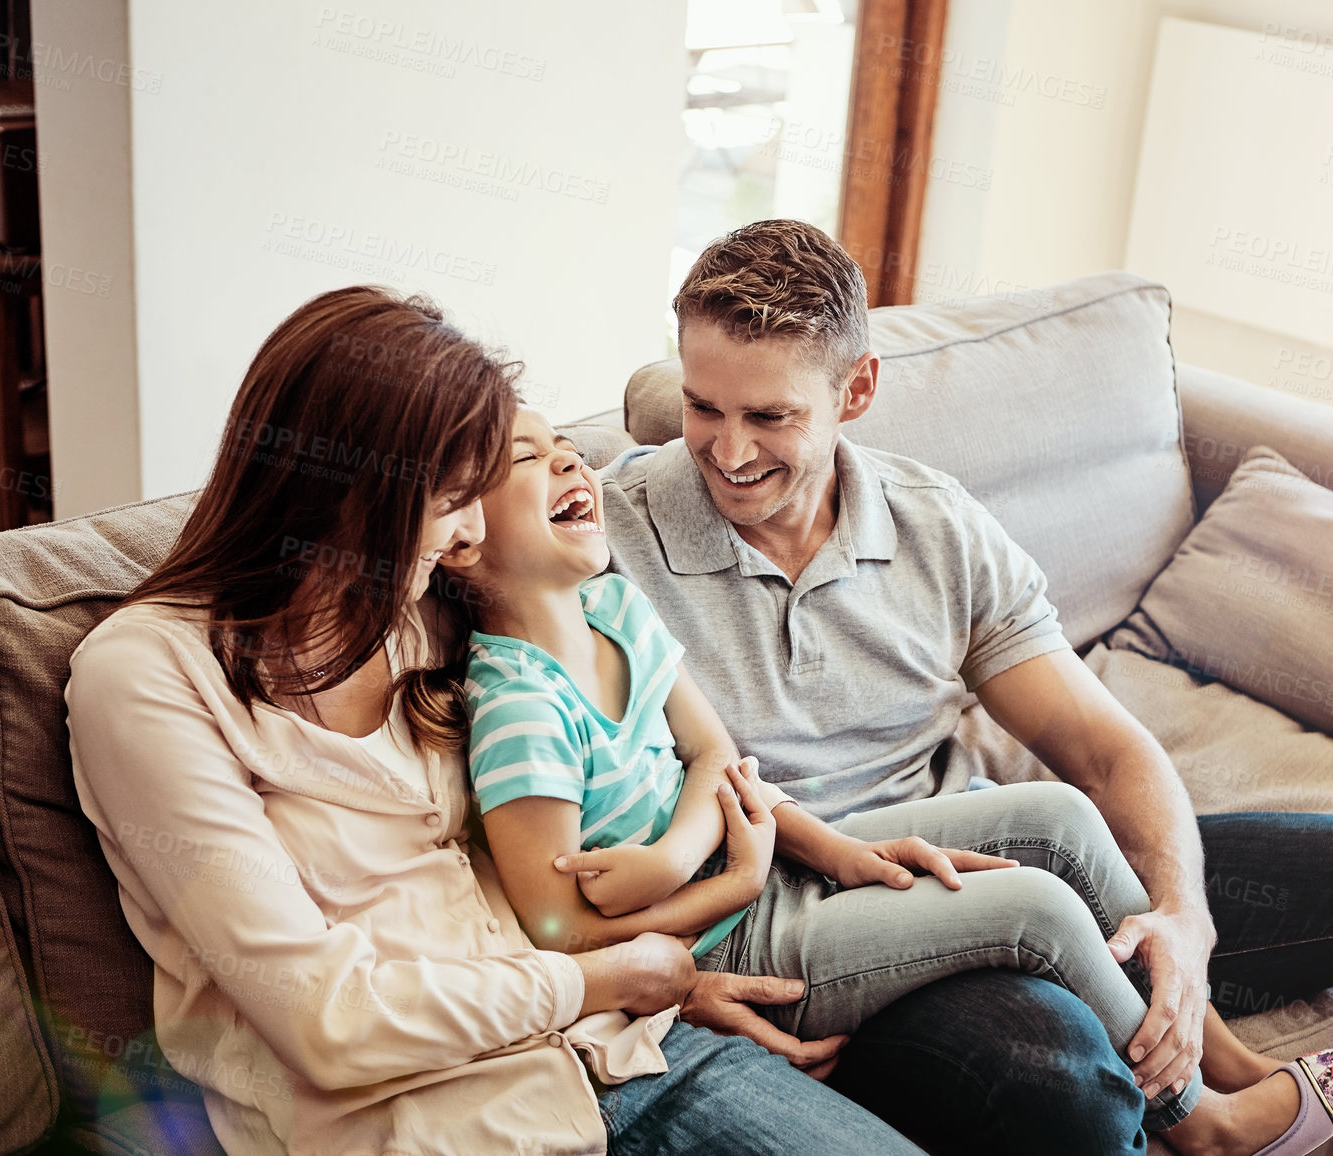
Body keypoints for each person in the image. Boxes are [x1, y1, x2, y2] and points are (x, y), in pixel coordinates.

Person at [595, 219, 1333, 1156]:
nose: (726, 451)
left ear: (858, 390)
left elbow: (1103, 751)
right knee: (1064, 1087)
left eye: (769, 418)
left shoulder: (932, 525)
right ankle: (1207, 1118)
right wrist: (665, 975)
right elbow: (517, 831)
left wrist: (1180, 919)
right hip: (823, 941)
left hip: (988, 854)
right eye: (702, 407)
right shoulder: (599, 541)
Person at [65, 286, 928, 1155]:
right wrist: (601, 976)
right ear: (354, 490)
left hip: (628, 1048)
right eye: (452, 496)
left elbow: (545, 843)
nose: (469, 528)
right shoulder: (147, 678)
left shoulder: (414, 614)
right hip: (437, 1121)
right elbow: (324, 1020)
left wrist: (668, 976)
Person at [436, 404, 1333, 1156]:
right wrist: (722, 880)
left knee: (1061, 818)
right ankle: (1206, 1127)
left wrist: (820, 853)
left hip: (765, 870)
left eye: (562, 441)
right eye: (529, 459)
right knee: (1036, 909)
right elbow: (553, 930)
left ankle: (1216, 1054)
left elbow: (722, 763)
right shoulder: (520, 708)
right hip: (732, 948)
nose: (571, 460)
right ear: (459, 541)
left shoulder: (614, 608)